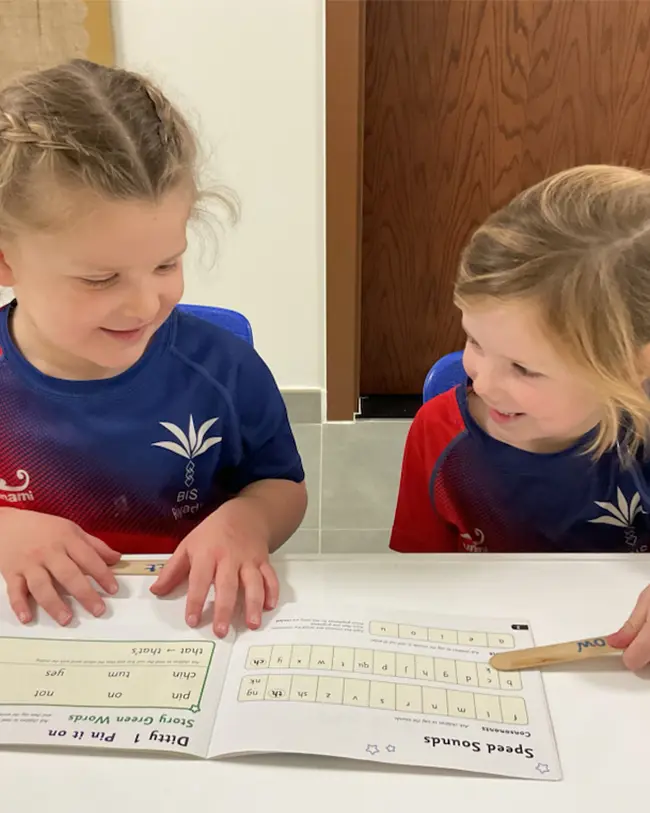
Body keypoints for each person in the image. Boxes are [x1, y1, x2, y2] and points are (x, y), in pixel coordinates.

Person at [0, 60, 307, 638]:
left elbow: (282, 485)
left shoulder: (225, 370)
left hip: (190, 627)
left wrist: (250, 521)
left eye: (167, 263)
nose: (144, 305)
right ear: (5, 261)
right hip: (37, 632)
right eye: (99, 279)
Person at [389, 165, 650, 670]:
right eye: (474, 341)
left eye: (525, 369)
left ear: (634, 366)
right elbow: (416, 583)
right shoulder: (439, 434)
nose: (482, 382)